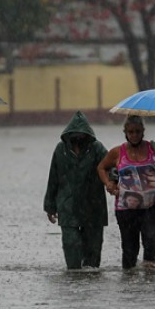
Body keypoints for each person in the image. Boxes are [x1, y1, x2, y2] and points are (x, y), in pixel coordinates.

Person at [97, 115, 155, 270]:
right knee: (129, 249)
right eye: (130, 132)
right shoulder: (118, 152)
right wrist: (109, 183)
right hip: (125, 209)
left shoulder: (154, 149)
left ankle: (149, 280)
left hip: (151, 207)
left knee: (151, 242)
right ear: (125, 132)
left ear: (143, 131)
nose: (134, 135)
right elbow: (101, 167)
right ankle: (130, 284)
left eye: (137, 131)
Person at [44, 111, 108, 270]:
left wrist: (115, 181)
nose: (78, 139)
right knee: (71, 245)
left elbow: (110, 166)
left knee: (93, 253)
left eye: (82, 136)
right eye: (75, 135)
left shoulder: (97, 148)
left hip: (93, 206)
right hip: (67, 205)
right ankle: (74, 276)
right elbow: (53, 178)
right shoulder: (60, 150)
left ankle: (89, 282)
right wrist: (50, 206)